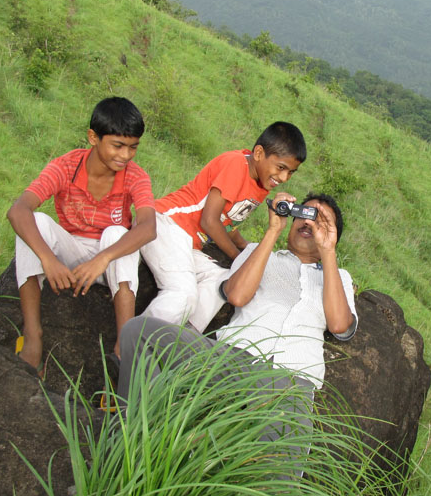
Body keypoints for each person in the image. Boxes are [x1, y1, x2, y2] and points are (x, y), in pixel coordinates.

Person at [117, 192, 357, 468]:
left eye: (319, 220)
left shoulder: (339, 278)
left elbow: (339, 325)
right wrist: (272, 231)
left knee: (281, 476)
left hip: (291, 381)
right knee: (140, 331)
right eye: (303, 213)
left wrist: (328, 252)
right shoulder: (259, 252)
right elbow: (237, 296)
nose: (308, 223)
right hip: (231, 357)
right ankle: (137, 435)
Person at [7, 96, 156, 372]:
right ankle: (32, 335)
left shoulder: (136, 176)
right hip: (70, 255)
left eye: (133, 147)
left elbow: (148, 227)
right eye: (118, 145)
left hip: (108, 262)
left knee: (116, 232)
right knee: (35, 221)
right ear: (93, 137)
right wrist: (48, 260)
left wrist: (103, 259)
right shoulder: (65, 166)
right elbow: (18, 211)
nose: (125, 156)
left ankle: (124, 344)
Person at [140, 122, 306, 332]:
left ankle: (185, 335)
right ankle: (135, 342)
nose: (283, 178)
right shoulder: (236, 165)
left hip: (188, 243)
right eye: (281, 167)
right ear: (258, 153)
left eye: (291, 172)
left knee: (223, 280)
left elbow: (228, 221)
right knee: (183, 293)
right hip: (167, 225)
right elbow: (209, 221)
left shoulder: (260, 183)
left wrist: (246, 247)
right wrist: (238, 257)